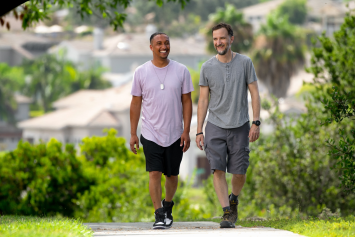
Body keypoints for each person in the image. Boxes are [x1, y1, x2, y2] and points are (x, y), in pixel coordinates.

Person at [196, 23, 261, 228]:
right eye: (215, 39)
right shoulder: (207, 67)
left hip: (240, 124)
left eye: (222, 38)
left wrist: (255, 122)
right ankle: (226, 212)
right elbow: (203, 101)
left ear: (231, 39)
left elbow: (255, 93)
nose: (218, 42)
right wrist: (198, 130)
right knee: (217, 169)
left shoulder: (245, 62)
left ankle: (234, 198)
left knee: (239, 172)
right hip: (215, 125)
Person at [130, 32, 194, 229]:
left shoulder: (181, 70)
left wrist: (186, 130)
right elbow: (135, 103)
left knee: (172, 175)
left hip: (175, 133)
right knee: (154, 173)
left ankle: (168, 205)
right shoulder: (141, 72)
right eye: (159, 43)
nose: (163, 46)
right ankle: (158, 214)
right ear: (151, 47)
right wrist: (133, 133)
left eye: (166, 43)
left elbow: (187, 101)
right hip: (150, 132)